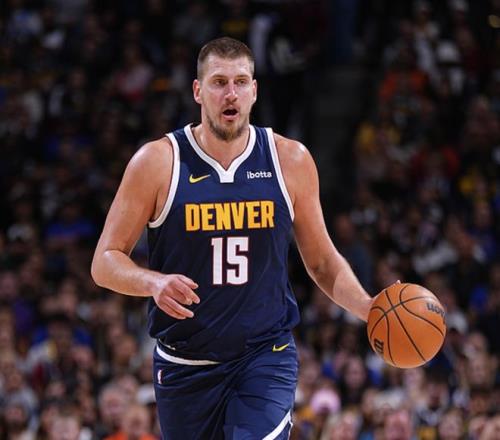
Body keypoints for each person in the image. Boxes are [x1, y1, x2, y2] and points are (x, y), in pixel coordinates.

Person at [91, 37, 373, 439]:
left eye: (241, 82)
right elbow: (105, 260)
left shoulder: (289, 160)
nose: (231, 94)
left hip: (264, 356)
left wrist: (369, 307)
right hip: (184, 364)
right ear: (197, 91)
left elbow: (323, 263)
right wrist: (152, 282)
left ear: (254, 91)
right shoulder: (158, 162)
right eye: (219, 82)